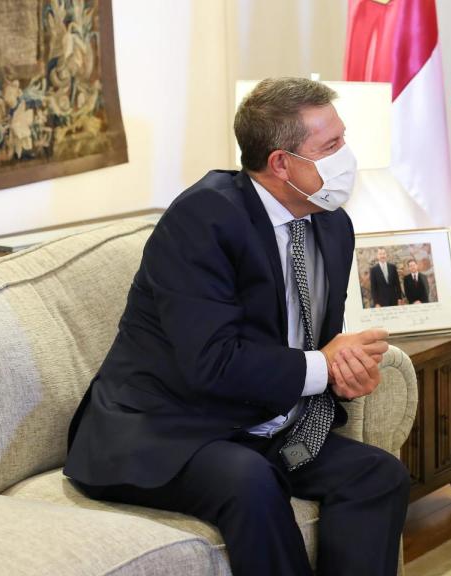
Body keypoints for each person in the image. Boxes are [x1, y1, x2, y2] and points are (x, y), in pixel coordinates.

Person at [63, 77, 411, 576]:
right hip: (166, 428)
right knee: (250, 480)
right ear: (280, 162)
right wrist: (324, 366)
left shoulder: (332, 223)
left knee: (378, 476)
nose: (346, 156)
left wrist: (345, 372)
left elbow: (315, 344)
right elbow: (213, 361)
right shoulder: (203, 220)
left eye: (343, 139)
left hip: (260, 422)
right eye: (331, 145)